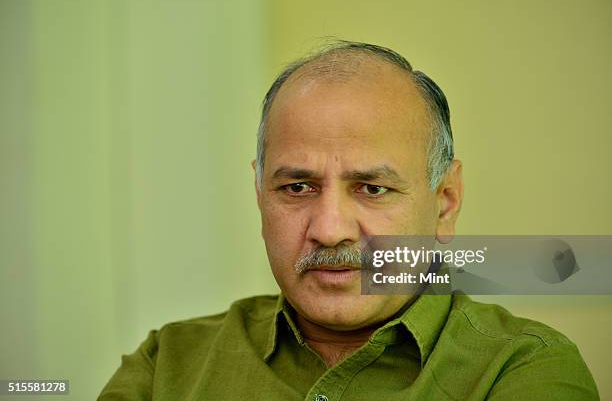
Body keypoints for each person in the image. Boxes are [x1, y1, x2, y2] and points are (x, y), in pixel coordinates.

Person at [98, 41, 598, 400]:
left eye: (372, 189)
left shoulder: (520, 369)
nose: (330, 229)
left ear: (444, 202)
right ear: (259, 193)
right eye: (297, 188)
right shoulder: (169, 365)